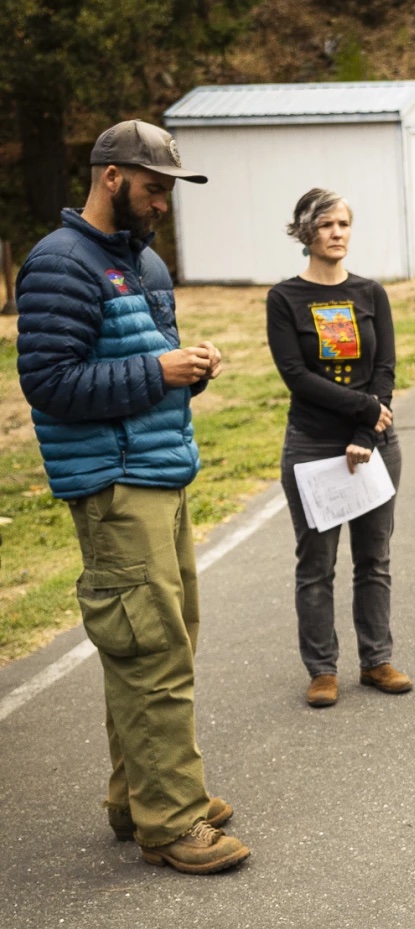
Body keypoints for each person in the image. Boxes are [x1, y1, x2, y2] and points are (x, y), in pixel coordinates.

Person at [15, 121, 249, 874]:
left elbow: (143, 361)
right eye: (154, 187)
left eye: (170, 189)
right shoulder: (59, 264)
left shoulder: (142, 262)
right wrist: (162, 372)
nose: (163, 203)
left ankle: (141, 795)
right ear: (112, 177)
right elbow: (48, 384)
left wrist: (192, 367)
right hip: (115, 488)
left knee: (158, 642)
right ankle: (173, 822)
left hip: (159, 474)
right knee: (152, 651)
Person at [267, 189, 411, 707]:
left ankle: (376, 660)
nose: (337, 233)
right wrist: (363, 412)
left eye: (344, 224)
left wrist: (366, 432)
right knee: (316, 563)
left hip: (372, 442)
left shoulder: (371, 293)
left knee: (374, 559)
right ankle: (322, 670)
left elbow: (384, 370)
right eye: (326, 224)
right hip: (312, 444)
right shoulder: (285, 299)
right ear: (306, 231)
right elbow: (295, 375)